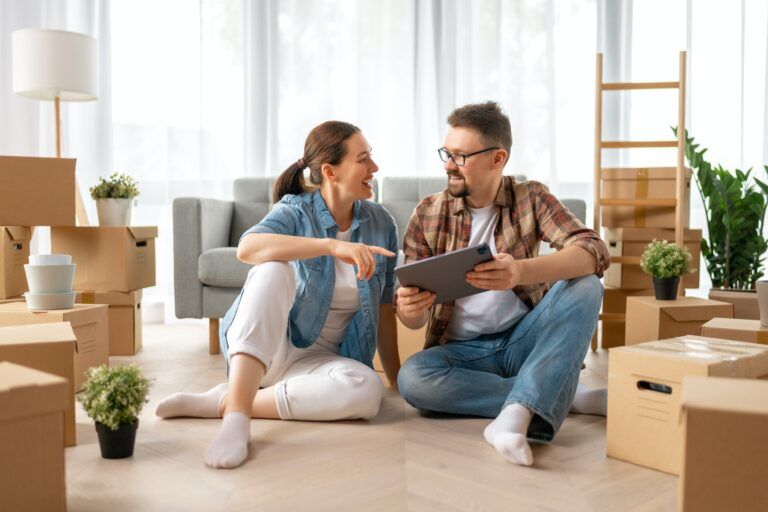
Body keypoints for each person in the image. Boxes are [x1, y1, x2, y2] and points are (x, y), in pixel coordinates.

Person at [156, 121, 400, 469]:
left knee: (367, 392)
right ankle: (236, 421)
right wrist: (330, 246)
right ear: (330, 171)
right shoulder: (296, 209)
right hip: (269, 351)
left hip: (321, 364)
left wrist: (394, 379)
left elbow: (384, 306)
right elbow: (248, 248)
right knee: (273, 269)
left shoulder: (381, 222)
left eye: (371, 157)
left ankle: (225, 401)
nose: (373, 168)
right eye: (363, 159)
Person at [395, 102, 610, 467]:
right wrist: (409, 311)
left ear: (498, 159)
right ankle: (557, 393)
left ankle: (513, 417)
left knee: (587, 285)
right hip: (464, 355)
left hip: (524, 340)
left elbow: (593, 250)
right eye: (447, 153)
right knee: (414, 379)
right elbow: (412, 322)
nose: (448, 164)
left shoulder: (532, 197)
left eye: (460, 156)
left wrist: (520, 272)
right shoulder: (428, 213)